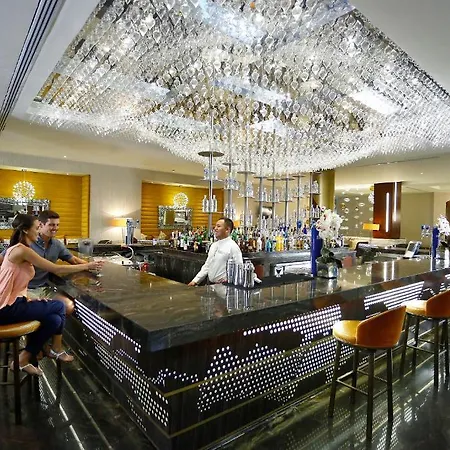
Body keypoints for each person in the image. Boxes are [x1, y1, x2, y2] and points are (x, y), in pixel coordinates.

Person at [0, 214, 103, 376]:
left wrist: (27, 298)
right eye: (36, 228)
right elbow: (56, 269)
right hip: (6, 309)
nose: (39, 230)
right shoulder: (22, 250)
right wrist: (88, 265)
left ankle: (23, 359)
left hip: (14, 303)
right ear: (26, 230)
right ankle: (56, 349)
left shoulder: (20, 249)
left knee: (54, 319)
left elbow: (16, 281)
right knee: (59, 306)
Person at [0, 210, 86, 315]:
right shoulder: (24, 246)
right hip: (25, 291)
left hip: (44, 288)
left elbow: (74, 260)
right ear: (41, 225)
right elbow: (56, 269)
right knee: (57, 308)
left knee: (67, 306)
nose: (55, 228)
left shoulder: (57, 245)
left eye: (57, 225)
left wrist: (92, 265)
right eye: (51, 225)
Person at [188, 218, 243, 286]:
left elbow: (239, 268)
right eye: (215, 226)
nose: (215, 228)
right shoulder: (214, 245)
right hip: (210, 285)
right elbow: (207, 265)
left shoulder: (233, 247)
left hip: (224, 286)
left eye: (218, 226)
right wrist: (195, 281)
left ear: (227, 230)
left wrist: (228, 281)